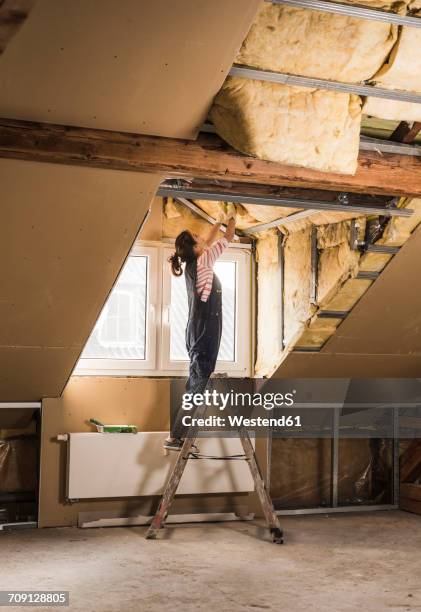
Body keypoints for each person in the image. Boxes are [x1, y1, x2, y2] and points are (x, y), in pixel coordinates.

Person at [164, 212, 236, 450]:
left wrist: (218, 220)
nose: (202, 238)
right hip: (204, 331)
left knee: (195, 384)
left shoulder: (193, 265)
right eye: (197, 237)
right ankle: (175, 436)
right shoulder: (204, 261)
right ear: (196, 248)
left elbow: (209, 240)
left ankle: (177, 435)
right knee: (196, 387)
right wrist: (232, 216)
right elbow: (229, 236)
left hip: (197, 330)